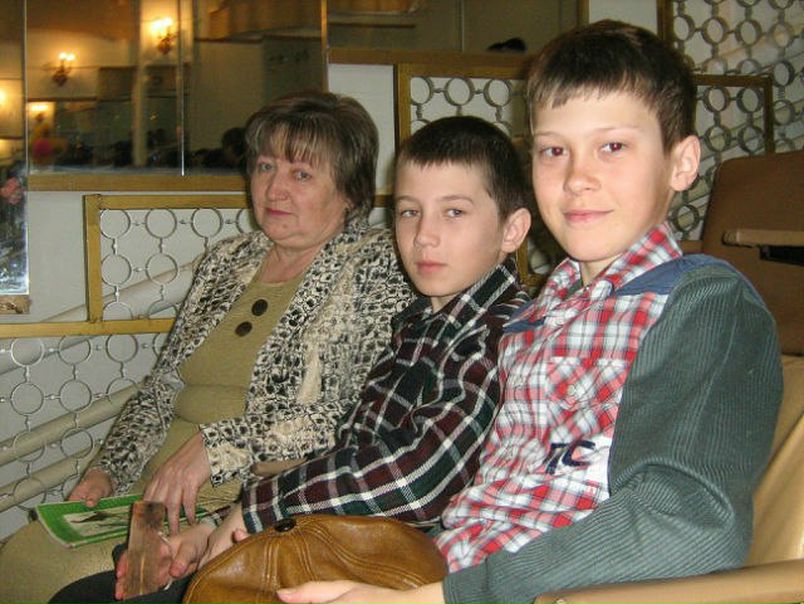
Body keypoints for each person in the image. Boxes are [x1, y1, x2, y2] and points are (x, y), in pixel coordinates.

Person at [274, 20, 783, 604]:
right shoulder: (535, 320)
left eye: (613, 147)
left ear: (682, 163)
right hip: (446, 571)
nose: (577, 179)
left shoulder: (703, 305)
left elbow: (688, 523)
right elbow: (491, 505)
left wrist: (434, 599)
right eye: (553, 151)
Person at [49, 114, 534, 604]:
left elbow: (417, 477)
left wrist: (254, 508)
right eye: (409, 212)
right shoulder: (420, 323)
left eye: (454, 212)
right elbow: (347, 449)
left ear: (512, 229)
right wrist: (215, 527)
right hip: (312, 533)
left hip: (383, 564)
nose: (424, 235)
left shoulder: (500, 333)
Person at [0, 90, 413, 604]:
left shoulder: (378, 267)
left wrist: (216, 446)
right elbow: (161, 391)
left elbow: (353, 421)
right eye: (265, 166)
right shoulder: (227, 260)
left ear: (350, 191)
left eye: (302, 174)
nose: (274, 188)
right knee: (22, 555)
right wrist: (105, 472)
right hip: (148, 500)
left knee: (70, 585)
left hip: (247, 510)